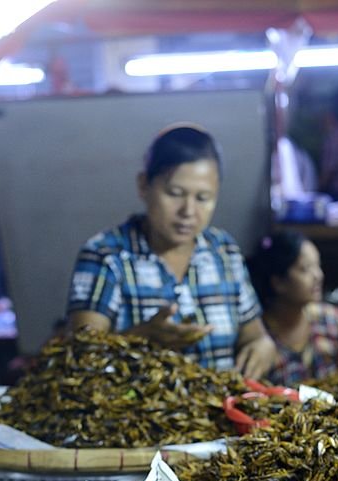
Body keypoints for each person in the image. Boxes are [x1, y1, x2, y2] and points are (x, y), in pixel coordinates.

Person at [66, 124, 277, 379]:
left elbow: (255, 335)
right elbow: (79, 359)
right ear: (144, 186)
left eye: (203, 198)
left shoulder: (224, 251)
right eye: (175, 194)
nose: (188, 211)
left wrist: (263, 346)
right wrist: (140, 337)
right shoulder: (106, 256)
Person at [248, 230, 338, 385]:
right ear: (278, 282)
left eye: (318, 266)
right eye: (305, 269)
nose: (318, 275)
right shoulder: (258, 336)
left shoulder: (331, 321)